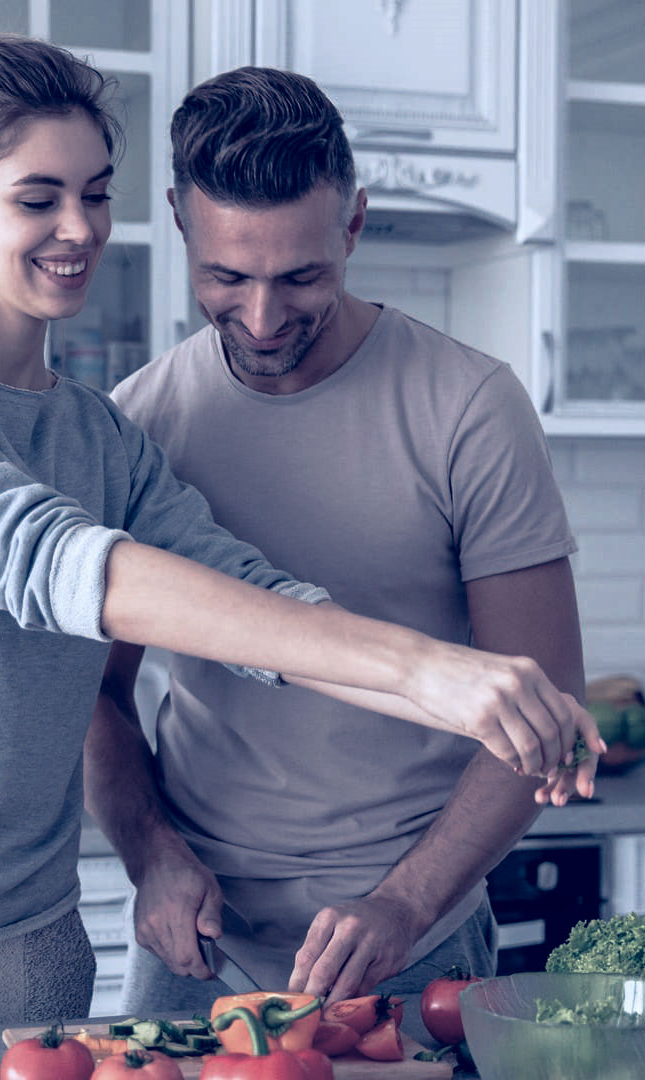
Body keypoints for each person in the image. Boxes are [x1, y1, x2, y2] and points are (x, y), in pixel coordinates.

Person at [0, 3, 600, 1042]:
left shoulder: (104, 437)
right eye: (38, 198)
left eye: (95, 195)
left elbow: (259, 606)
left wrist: (460, 690)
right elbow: (54, 561)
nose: (79, 228)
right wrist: (426, 671)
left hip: (33, 923)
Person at [89, 66, 591, 1015]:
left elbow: (545, 704)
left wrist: (403, 903)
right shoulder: (138, 423)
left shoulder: (469, 409)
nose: (264, 318)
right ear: (179, 223)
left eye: (301, 276)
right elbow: (93, 700)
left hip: (415, 945)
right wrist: (151, 856)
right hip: (194, 948)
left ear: (353, 224)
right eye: (226, 275)